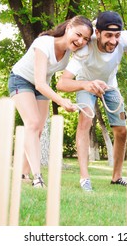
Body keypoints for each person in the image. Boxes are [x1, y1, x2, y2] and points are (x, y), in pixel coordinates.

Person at [56, 11, 127, 192]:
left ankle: (117, 176)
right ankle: (84, 178)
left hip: (110, 86)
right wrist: (87, 85)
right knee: (85, 120)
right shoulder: (85, 48)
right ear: (98, 32)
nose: (113, 40)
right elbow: (62, 83)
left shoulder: (123, 39)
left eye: (117, 35)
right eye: (108, 35)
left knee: (121, 130)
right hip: (86, 84)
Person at [8, 15, 93, 188]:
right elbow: (39, 83)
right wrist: (62, 101)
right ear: (68, 27)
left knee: (37, 129)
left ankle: (23, 173)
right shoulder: (44, 43)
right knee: (32, 123)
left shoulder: (72, 52)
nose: (80, 41)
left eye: (85, 39)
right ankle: (38, 178)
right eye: (78, 35)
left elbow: (101, 31)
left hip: (42, 85)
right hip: (21, 80)